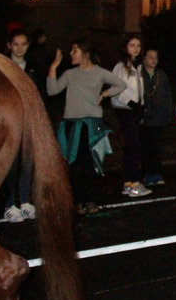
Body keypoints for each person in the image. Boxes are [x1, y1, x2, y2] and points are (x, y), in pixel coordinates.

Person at [48, 38, 126, 215]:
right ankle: (78, 201)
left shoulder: (99, 73)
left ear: (85, 54)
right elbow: (52, 90)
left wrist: (104, 94)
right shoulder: (69, 73)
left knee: (89, 163)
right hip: (72, 124)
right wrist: (53, 67)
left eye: (74, 50)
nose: (70, 53)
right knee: (74, 164)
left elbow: (121, 84)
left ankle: (89, 199)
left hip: (90, 124)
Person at [0, 29, 40, 222]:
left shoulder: (33, 66)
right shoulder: (2, 65)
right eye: (16, 44)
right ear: (9, 45)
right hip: (9, 120)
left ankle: (25, 201)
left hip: (29, 120)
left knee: (27, 162)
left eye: (23, 44)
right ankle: (9, 204)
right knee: (11, 164)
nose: (19, 48)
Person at [111, 34, 152, 197]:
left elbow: (138, 89)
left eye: (138, 45)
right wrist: (132, 104)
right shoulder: (121, 67)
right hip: (125, 110)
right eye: (132, 45)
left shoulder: (138, 66)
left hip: (134, 110)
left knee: (132, 146)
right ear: (125, 47)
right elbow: (118, 88)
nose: (136, 48)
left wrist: (140, 106)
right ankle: (133, 183)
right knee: (133, 145)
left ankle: (129, 183)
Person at [140, 48, 172, 187]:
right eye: (150, 57)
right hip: (143, 118)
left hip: (158, 118)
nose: (153, 60)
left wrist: (167, 115)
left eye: (155, 58)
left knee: (156, 147)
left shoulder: (161, 75)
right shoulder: (138, 74)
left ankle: (157, 173)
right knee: (145, 147)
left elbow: (167, 97)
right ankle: (147, 174)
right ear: (144, 58)